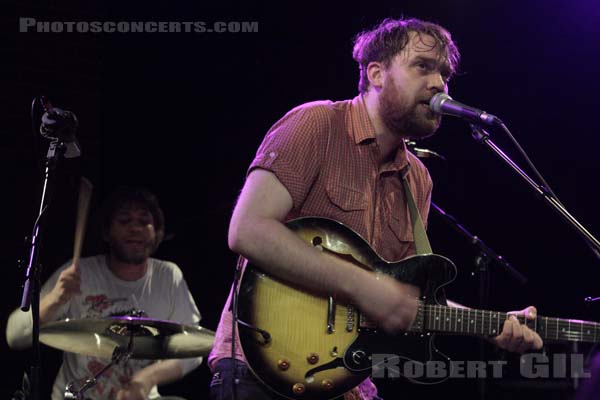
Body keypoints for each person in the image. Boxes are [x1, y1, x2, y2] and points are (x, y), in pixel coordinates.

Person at [208, 17, 543, 399]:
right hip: (263, 365)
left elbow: (403, 296)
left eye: (445, 73)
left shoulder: (417, 177)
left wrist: (491, 324)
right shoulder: (317, 124)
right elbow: (247, 229)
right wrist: (364, 284)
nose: (439, 84)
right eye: (423, 66)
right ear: (377, 73)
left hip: (347, 380)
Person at [6, 186, 203, 400]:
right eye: (124, 220)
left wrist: (146, 379)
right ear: (107, 232)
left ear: (157, 232)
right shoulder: (80, 273)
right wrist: (55, 299)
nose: (135, 228)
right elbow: (15, 337)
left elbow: (192, 350)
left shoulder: (168, 276)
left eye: (144, 221)